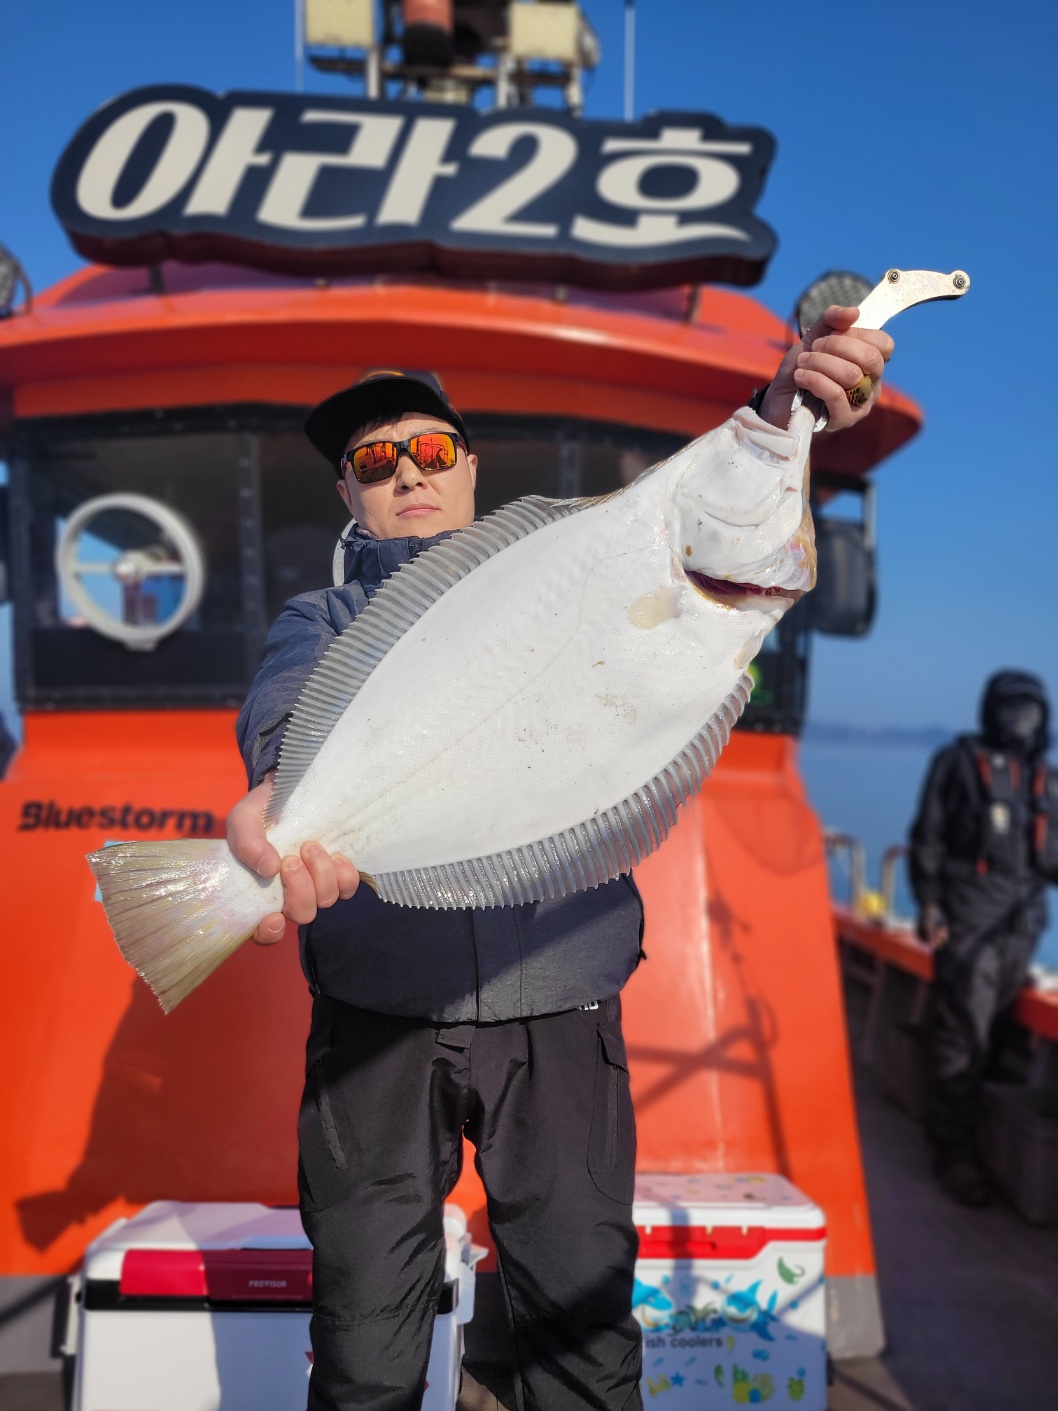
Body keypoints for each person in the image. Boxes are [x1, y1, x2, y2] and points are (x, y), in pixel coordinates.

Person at [228, 306, 893, 1411]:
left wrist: (786, 416)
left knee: (582, 1325)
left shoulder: (567, 561)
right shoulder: (321, 617)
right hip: (376, 1013)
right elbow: (283, 716)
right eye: (374, 462)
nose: (407, 474)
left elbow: (680, 536)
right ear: (348, 491)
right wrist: (278, 801)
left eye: (428, 449)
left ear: (469, 466)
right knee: (363, 1336)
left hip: (560, 1001)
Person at [910, 671, 1058, 1207]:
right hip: (969, 921)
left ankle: (985, 1147)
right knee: (963, 1037)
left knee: (996, 1041)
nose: (1021, 719)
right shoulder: (957, 763)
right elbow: (928, 837)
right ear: (991, 710)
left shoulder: (1047, 780)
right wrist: (930, 904)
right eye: (1011, 708)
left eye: (1031, 709)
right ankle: (953, 1154)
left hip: (1023, 928)